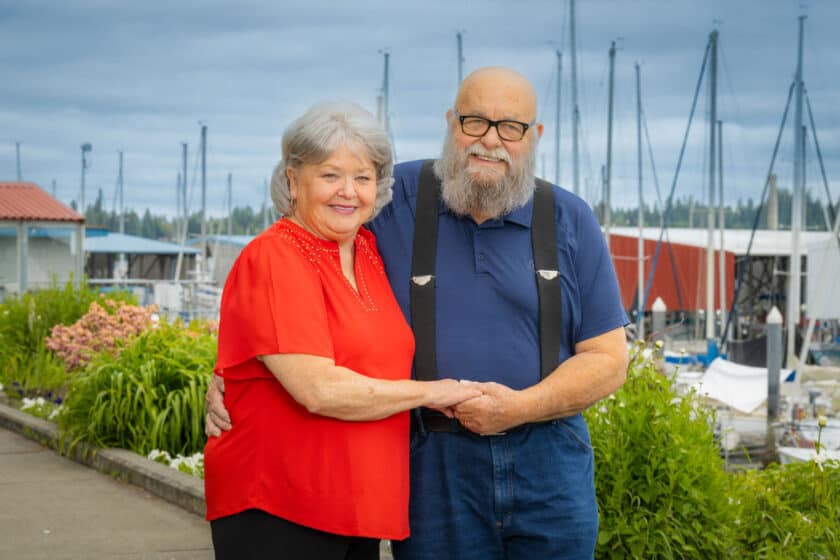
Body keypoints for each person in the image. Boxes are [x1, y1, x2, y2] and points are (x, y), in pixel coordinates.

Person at [207, 67, 629, 559]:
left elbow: (608, 360)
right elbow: (297, 250)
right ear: (451, 122)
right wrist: (232, 374)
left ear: (534, 136)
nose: (490, 140)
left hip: (549, 462)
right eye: (475, 121)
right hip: (433, 466)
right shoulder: (392, 199)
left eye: (510, 127)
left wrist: (519, 408)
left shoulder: (569, 217)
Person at [203, 101, 481, 560]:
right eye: (330, 175)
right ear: (293, 180)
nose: (348, 192)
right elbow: (319, 390)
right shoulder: (274, 257)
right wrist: (432, 393)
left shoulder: (367, 250)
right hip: (280, 501)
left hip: (355, 504)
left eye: (363, 178)